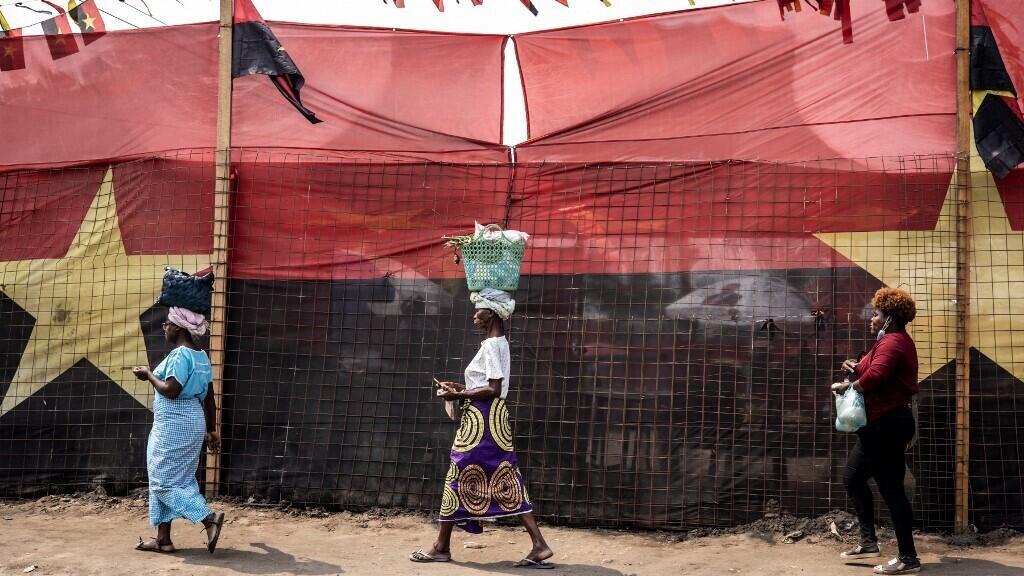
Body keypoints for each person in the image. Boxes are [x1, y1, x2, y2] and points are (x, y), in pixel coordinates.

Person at [410, 288, 554, 569]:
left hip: (482, 423)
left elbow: (493, 388)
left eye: (479, 311)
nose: (475, 316)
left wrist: (458, 395)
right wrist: (460, 388)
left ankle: (441, 547)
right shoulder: (499, 343)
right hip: (492, 420)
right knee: (504, 476)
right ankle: (538, 544)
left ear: (492, 313)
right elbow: (487, 386)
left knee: (458, 475)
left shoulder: (491, 346)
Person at [833, 288, 921, 575]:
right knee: (853, 478)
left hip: (888, 425)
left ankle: (908, 557)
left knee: (892, 490)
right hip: (876, 426)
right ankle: (869, 542)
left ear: (889, 318)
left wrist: (848, 386)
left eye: (876, 314)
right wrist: (853, 366)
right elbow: (868, 368)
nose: (872, 318)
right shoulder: (887, 342)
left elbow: (877, 376)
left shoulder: (894, 342)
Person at [132, 306, 225, 554]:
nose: (164, 328)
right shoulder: (201, 356)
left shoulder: (180, 355)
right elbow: (210, 399)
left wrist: (148, 375)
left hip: (174, 425)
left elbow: (171, 390)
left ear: (178, 327)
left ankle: (209, 518)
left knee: (163, 482)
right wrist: (212, 430)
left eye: (167, 324)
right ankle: (163, 540)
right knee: (172, 478)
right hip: (191, 422)